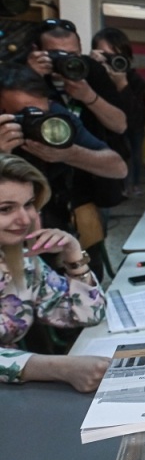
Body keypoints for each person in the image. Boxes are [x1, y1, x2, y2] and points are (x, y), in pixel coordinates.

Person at [0, 64, 127, 271]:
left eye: (38, 113)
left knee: (83, 276)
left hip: (56, 221)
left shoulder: (55, 120)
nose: (32, 122)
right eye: (20, 116)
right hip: (8, 245)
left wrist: (69, 153)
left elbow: (118, 167)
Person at [0, 153, 109, 392]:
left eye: (28, 204)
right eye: (6, 209)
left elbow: (88, 314)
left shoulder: (18, 260)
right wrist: (57, 367)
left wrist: (73, 254)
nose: (25, 218)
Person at [90, 27, 145, 198]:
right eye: (105, 55)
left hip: (131, 132)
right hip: (100, 137)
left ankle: (132, 185)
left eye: (116, 56)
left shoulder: (134, 80)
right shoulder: (90, 76)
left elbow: (137, 119)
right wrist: (94, 66)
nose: (110, 60)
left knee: (134, 155)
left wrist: (122, 85)